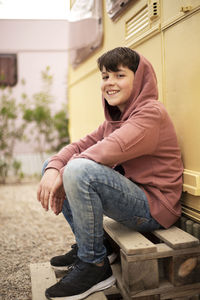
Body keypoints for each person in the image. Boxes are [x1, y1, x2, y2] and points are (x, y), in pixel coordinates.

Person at [37, 47, 183, 300]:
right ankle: (98, 247)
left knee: (79, 169)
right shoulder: (114, 121)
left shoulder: (151, 113)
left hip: (156, 208)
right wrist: (53, 168)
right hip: (134, 198)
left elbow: (108, 150)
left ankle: (95, 266)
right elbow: (79, 146)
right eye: (105, 77)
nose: (110, 83)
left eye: (119, 75)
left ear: (139, 79)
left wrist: (66, 171)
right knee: (59, 164)